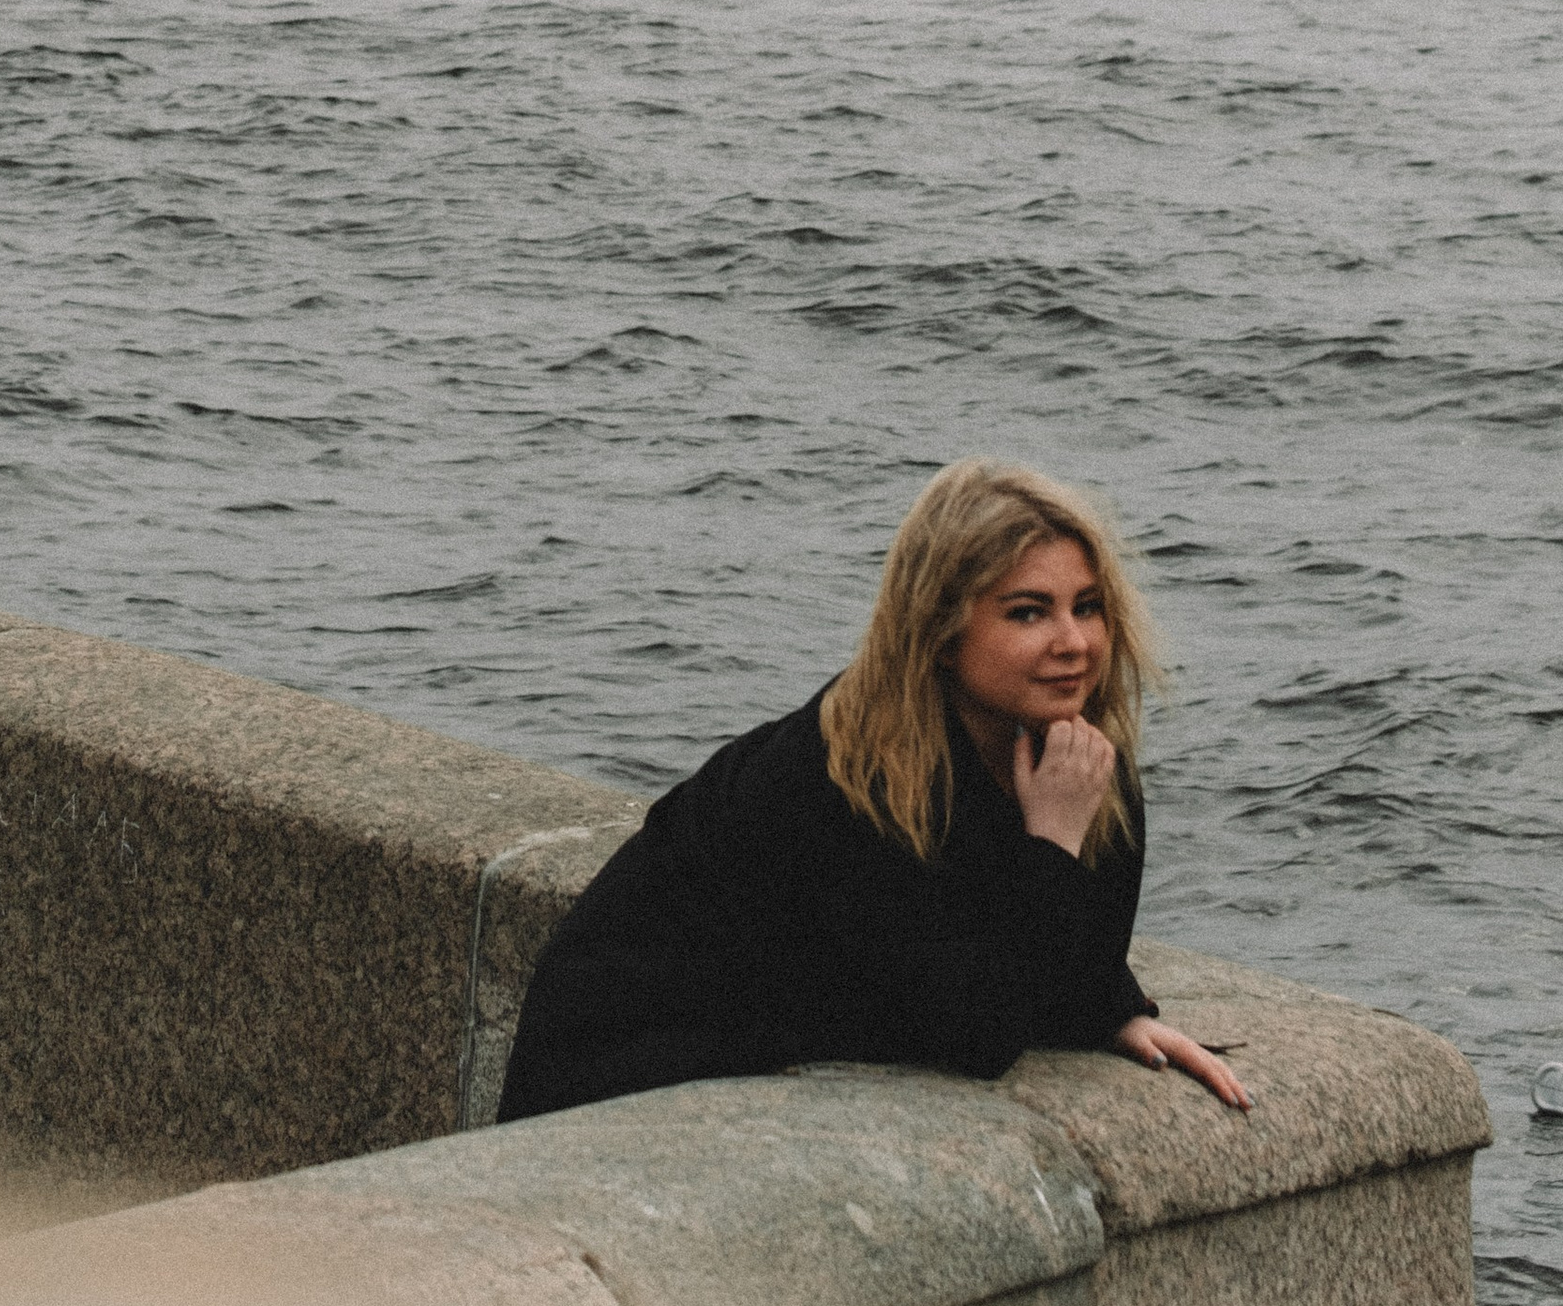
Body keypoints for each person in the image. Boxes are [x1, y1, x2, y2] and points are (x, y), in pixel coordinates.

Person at [496, 458, 1247, 1122]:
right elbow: (976, 1033)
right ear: (943, 632)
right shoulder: (841, 778)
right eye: (1028, 612)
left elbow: (1052, 959)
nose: (1073, 643)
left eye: (1087, 606)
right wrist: (1050, 840)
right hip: (625, 1074)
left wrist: (1108, 1009)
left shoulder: (1072, 759)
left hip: (780, 1067)